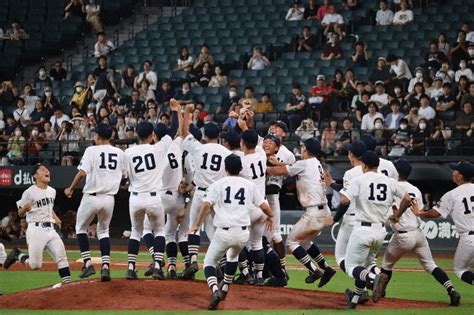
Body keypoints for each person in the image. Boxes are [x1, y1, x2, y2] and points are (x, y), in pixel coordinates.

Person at [189, 154, 273, 310]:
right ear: (241, 168)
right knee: (233, 256)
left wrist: (196, 224)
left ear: (225, 168)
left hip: (224, 232)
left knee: (209, 262)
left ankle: (215, 290)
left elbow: (206, 205)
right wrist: (271, 216)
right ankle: (226, 286)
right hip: (242, 233)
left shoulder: (217, 184)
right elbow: (264, 207)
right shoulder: (249, 185)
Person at [336, 151, 412, 309]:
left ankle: (373, 278)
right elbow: (407, 199)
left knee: (351, 267)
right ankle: (355, 300)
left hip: (363, 229)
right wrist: (397, 215)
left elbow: (344, 200)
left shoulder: (359, 179)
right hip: (380, 232)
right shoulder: (390, 181)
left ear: (363, 165)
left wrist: (346, 190)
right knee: (367, 263)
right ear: (377, 165)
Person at [382, 159, 461, 306]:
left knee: (386, 265)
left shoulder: (392, 187)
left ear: (396, 173)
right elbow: (419, 209)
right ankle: (451, 290)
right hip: (418, 233)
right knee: (431, 265)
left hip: (402, 235)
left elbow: (391, 213)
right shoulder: (415, 189)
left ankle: (380, 293)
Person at [267, 138, 336, 288]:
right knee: (304, 242)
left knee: (291, 242)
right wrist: (279, 163)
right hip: (323, 210)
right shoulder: (315, 163)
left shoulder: (304, 163)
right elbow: (291, 167)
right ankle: (326, 268)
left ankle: (314, 270)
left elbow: (282, 171)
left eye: (302, 146)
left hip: (313, 211)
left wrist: (261, 168)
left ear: (305, 149)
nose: (301, 148)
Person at [64, 124, 125, 281]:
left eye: (95, 135)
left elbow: (82, 173)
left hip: (92, 196)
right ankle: (105, 266)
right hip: (109, 198)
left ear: (98, 136)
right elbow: (124, 176)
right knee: (103, 231)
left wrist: (70, 188)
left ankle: (88, 264)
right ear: (111, 136)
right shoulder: (119, 152)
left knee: (80, 228)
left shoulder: (91, 150)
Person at [402, 161, 474, 286]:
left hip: (469, 238)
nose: (453, 172)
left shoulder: (453, 194)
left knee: (460, 269)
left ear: (460, 176)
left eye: (455, 170)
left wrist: (419, 213)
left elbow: (436, 213)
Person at [179, 104, 231, 279]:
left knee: (194, 227)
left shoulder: (198, 147)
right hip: (217, 196)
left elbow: (184, 133)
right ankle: (221, 264)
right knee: (214, 232)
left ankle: (193, 260)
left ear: (204, 135)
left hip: (201, 193)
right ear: (218, 136)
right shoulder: (226, 152)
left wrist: (186, 113)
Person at [3, 163, 72, 288]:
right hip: (36, 229)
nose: (47, 171)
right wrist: (24, 209)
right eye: (42, 170)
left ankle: (67, 286)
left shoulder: (52, 191)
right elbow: (20, 213)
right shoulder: (29, 192)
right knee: (35, 265)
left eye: (47, 169)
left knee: (62, 256)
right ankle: (17, 254)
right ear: (35, 175)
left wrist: (56, 219)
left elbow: (49, 208)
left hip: (50, 229)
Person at [123, 121, 173, 280]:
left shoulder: (128, 152)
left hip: (136, 197)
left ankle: (131, 268)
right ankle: (158, 266)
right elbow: (171, 132)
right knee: (159, 231)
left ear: (137, 134)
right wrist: (174, 110)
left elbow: (124, 179)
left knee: (136, 233)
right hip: (153, 197)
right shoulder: (158, 148)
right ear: (152, 135)